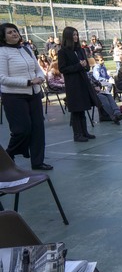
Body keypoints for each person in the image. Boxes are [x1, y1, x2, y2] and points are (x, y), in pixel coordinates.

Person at [0, 23, 52, 170]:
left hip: (34, 94)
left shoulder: (26, 49)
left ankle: (37, 162)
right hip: (14, 97)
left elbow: (38, 69)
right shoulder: (2, 52)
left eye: (15, 31)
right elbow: (2, 78)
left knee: (37, 129)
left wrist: (40, 77)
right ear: (3, 36)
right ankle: (8, 155)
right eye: (10, 32)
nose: (14, 34)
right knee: (22, 130)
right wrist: (28, 82)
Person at [58, 26, 100, 142]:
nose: (76, 37)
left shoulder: (80, 50)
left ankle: (84, 132)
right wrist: (78, 66)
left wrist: (85, 65)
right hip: (73, 83)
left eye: (76, 34)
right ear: (68, 37)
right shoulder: (62, 52)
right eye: (73, 35)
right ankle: (77, 134)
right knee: (76, 109)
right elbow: (62, 69)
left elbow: (86, 66)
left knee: (83, 107)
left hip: (83, 81)